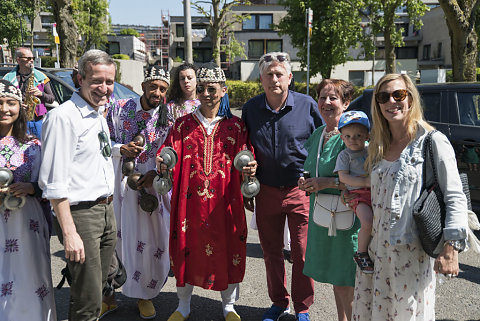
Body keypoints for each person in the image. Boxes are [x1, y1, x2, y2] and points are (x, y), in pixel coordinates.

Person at [352, 73, 469, 320]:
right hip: (377, 253)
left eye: (399, 94)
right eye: (384, 97)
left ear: (411, 99)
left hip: (411, 255)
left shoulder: (432, 141)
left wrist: (451, 248)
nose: (391, 101)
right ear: (378, 105)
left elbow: (455, 196)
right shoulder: (377, 145)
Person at [157, 64, 257, 321]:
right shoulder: (181, 125)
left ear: (224, 91)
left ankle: (229, 306)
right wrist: (164, 159)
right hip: (188, 202)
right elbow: (170, 150)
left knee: (230, 245)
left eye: (212, 89)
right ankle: (183, 305)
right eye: (201, 89)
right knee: (185, 246)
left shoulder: (236, 126)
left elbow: (246, 154)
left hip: (226, 200)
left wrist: (250, 164)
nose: (206, 93)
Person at [242, 52, 322, 321]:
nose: (274, 79)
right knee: (271, 252)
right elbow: (245, 147)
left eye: (279, 74)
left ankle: (302, 307)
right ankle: (279, 302)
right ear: (261, 80)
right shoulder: (251, 109)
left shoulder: (307, 105)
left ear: (289, 78)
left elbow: (323, 142)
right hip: (265, 190)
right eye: (269, 75)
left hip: (300, 189)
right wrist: (247, 178)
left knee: (302, 253)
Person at [39, 49, 117, 321]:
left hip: (105, 210)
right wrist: (69, 233)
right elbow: (54, 183)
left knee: (99, 289)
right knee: (87, 299)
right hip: (81, 216)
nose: (104, 88)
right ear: (79, 78)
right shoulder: (63, 117)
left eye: (109, 82)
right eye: (97, 81)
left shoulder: (97, 113)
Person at [104, 66, 171, 319]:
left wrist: (156, 171)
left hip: (151, 185)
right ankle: (108, 297)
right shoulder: (119, 107)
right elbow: (103, 140)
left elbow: (170, 152)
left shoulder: (168, 116)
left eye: (162, 89)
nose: (157, 92)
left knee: (151, 241)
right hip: (119, 181)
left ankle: (145, 294)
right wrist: (121, 148)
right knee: (114, 240)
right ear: (143, 86)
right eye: (153, 86)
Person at [298, 79, 360, 321]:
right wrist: (305, 183)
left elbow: (363, 180)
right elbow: (311, 169)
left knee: (347, 281)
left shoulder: (353, 136)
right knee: (337, 280)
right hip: (323, 216)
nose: (326, 103)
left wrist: (327, 183)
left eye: (333, 98)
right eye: (322, 97)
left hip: (348, 218)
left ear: (346, 103)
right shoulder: (318, 134)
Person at [0, 79, 56, 320]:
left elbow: (48, 184)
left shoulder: (33, 145)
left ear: (20, 107)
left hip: (27, 223)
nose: (4, 108)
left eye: (10, 103)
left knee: (30, 274)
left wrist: (31, 187)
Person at [334, 110, 374, 274]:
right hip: (358, 195)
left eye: (358, 135)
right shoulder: (344, 155)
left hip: (374, 193)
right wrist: (365, 182)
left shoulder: (370, 151)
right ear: (342, 137)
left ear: (366, 136)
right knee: (367, 221)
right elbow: (343, 177)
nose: (353, 140)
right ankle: (361, 252)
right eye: (348, 136)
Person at [3, 47, 56, 138]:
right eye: (28, 58)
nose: (31, 61)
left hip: (38, 121)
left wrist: (41, 94)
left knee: (40, 147)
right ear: (18, 60)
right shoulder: (8, 78)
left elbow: (51, 99)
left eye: (32, 58)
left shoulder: (41, 77)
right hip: (18, 121)